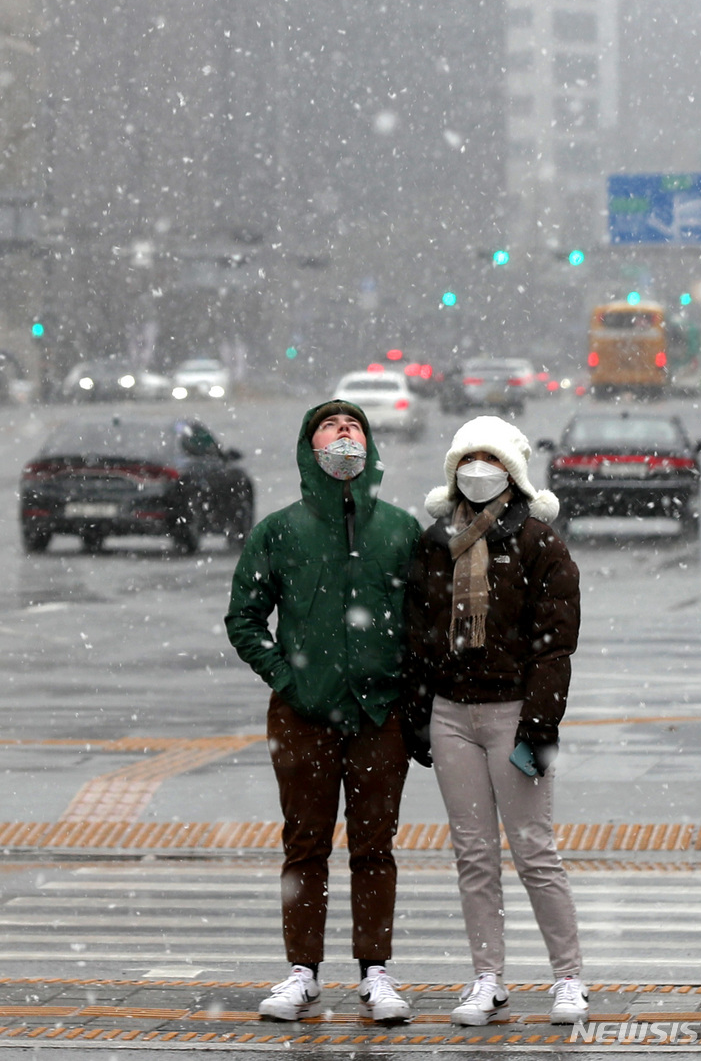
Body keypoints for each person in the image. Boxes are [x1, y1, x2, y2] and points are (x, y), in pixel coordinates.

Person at [225, 400, 421, 1024]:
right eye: (331, 428)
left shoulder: (398, 529)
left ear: (369, 446)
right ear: (310, 449)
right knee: (305, 846)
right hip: (302, 717)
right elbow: (244, 618)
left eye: (354, 427)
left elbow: (423, 624)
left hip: (377, 716)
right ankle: (302, 972)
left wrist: (405, 700)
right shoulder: (279, 531)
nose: (344, 435)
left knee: (374, 847)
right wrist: (288, 679)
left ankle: (376, 973)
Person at [404, 414, 587, 1027]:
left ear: (513, 473)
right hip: (453, 714)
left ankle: (568, 978)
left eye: (490, 462)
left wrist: (540, 725)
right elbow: (420, 636)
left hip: (515, 713)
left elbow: (555, 645)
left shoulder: (539, 541)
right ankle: (488, 978)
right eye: (467, 461)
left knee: (535, 850)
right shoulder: (435, 543)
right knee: (474, 855)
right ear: (453, 472)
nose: (477, 472)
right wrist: (419, 711)